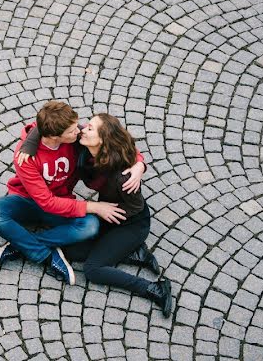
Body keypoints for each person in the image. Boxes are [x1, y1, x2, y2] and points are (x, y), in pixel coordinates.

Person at [18, 113, 173, 317]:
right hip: (106, 212)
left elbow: (136, 207)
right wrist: (28, 145)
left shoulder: (123, 175)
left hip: (131, 223)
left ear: (102, 140)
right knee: (71, 251)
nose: (82, 129)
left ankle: (154, 289)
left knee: (93, 270)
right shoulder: (83, 145)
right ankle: (134, 254)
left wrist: (138, 167)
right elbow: (49, 122)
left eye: (90, 128)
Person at [0, 101, 145, 285]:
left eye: (77, 127)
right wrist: (94, 206)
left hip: (60, 202)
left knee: (90, 226)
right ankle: (47, 256)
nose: (79, 131)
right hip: (25, 201)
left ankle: (21, 244)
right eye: (72, 131)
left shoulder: (75, 137)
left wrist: (139, 163)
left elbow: (114, 139)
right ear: (53, 136)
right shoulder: (25, 157)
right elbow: (46, 202)